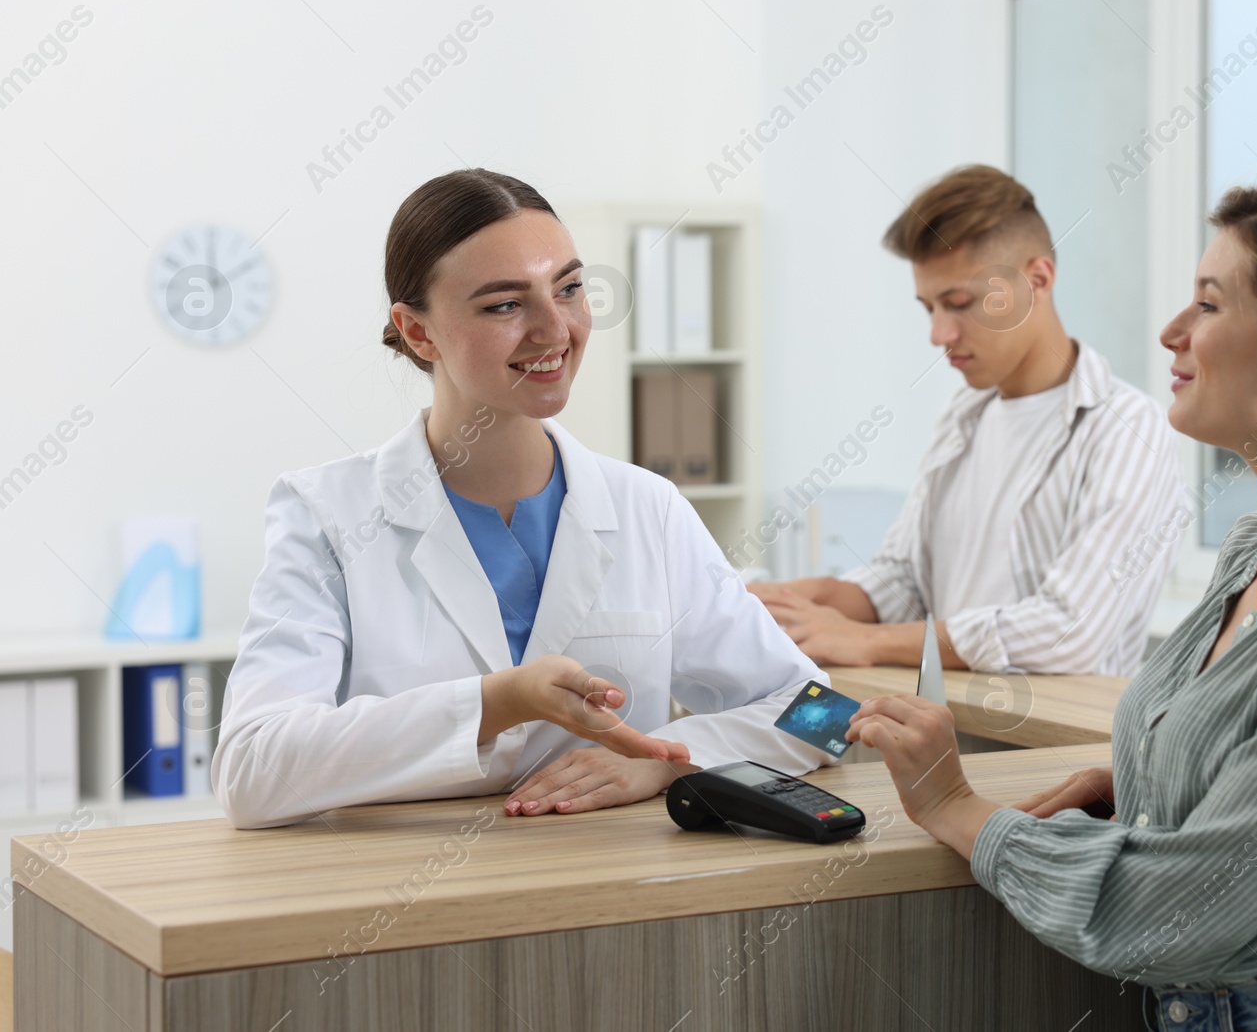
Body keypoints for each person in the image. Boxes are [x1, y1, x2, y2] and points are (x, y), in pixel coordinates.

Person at [849, 183, 1257, 1029]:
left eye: (1209, 303)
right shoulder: (1253, 556)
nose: (1171, 332)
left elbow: (1183, 912)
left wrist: (954, 806)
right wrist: (1150, 783)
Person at [213, 169, 834, 829]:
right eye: (504, 305)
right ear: (418, 332)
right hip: (397, 904)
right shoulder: (326, 514)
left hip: (612, 901)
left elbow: (822, 714)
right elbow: (253, 770)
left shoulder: (647, 508)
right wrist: (494, 702)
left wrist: (673, 760)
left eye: (568, 288)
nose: (554, 329)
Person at [750, 165, 1185, 677]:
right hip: (952, 725)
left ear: (1038, 280)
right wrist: (805, 601)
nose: (938, 333)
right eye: (929, 307)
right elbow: (906, 584)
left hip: (1058, 744)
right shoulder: (964, 415)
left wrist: (869, 641)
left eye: (959, 304)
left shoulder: (1128, 429)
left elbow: (1068, 633)